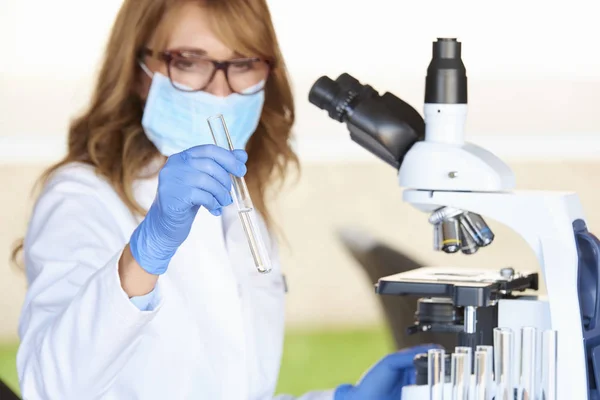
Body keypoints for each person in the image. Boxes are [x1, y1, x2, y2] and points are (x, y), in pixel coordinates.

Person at [13, 1, 437, 399]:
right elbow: (52, 386)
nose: (219, 90)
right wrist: (148, 251)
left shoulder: (238, 203)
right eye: (190, 61)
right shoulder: (83, 197)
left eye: (242, 64)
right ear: (140, 71)